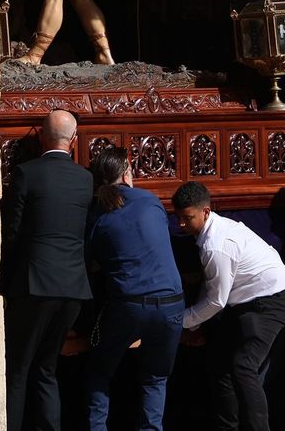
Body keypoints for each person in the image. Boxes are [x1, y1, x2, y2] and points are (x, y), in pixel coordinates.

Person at [173, 180, 285, 431]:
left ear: (206, 212)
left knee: (243, 365)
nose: (181, 225)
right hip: (246, 302)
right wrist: (195, 325)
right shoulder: (212, 233)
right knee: (219, 361)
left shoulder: (216, 245)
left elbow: (216, 301)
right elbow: (212, 286)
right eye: (179, 218)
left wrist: (180, 321)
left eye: (187, 218)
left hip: (271, 299)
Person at [0, 110, 94, 431]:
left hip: (34, 286)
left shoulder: (27, 173)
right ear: (74, 140)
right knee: (46, 369)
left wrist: (4, 285)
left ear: (41, 136)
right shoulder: (85, 179)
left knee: (18, 370)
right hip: (73, 289)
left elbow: (12, 233)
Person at [83, 146, 184, 431]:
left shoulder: (97, 214)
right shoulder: (151, 201)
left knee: (99, 373)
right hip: (171, 302)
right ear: (127, 173)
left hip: (128, 304)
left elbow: (88, 260)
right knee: (155, 379)